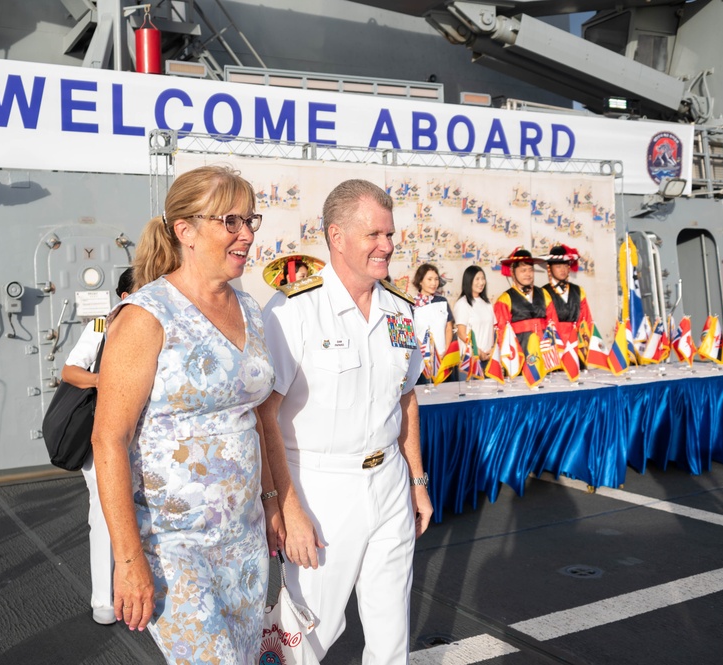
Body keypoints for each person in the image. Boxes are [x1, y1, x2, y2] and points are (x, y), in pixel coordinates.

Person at [91, 166, 278, 662]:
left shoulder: (251, 309)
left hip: (244, 539)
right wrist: (129, 561)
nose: (247, 234)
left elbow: (258, 417)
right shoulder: (147, 316)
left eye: (251, 220)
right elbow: (108, 440)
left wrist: (276, 500)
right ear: (185, 230)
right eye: (231, 221)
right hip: (175, 547)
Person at [259, 179, 433, 663]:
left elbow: (406, 398)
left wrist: (417, 482)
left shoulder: (400, 310)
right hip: (319, 489)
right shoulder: (293, 310)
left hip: (390, 483)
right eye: (374, 235)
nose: (388, 246)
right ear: (336, 236)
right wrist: (285, 508)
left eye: (391, 234)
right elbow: (264, 415)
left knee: (391, 627)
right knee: (308, 632)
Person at [60, 267, 135, 626]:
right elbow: (70, 371)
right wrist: (107, 380)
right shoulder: (102, 327)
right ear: (124, 298)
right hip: (104, 433)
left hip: (148, 435)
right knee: (106, 511)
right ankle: (103, 599)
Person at [493, 247, 558, 355]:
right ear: (513, 272)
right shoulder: (505, 300)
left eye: (530, 270)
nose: (528, 274)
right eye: (523, 270)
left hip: (545, 355)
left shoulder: (544, 294)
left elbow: (553, 324)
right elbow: (501, 334)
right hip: (520, 357)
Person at [541, 244, 593, 346]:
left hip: (577, 343)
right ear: (549, 268)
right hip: (554, 343)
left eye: (565, 266)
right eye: (558, 266)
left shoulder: (578, 291)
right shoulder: (543, 292)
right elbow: (542, 324)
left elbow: (586, 319)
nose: (563, 270)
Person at [453, 265, 496, 366]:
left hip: (488, 358)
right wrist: (477, 351)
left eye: (483, 279)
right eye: (477, 279)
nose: (481, 282)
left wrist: (492, 349)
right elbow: (461, 333)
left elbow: (493, 329)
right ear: (469, 281)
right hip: (470, 360)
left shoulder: (487, 303)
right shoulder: (462, 303)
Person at [412, 263, 454, 357]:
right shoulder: (412, 304)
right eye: (429, 279)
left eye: (436, 279)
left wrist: (445, 351)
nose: (434, 283)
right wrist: (424, 352)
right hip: (421, 359)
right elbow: (411, 332)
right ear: (420, 281)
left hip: (442, 357)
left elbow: (448, 328)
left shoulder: (442, 301)